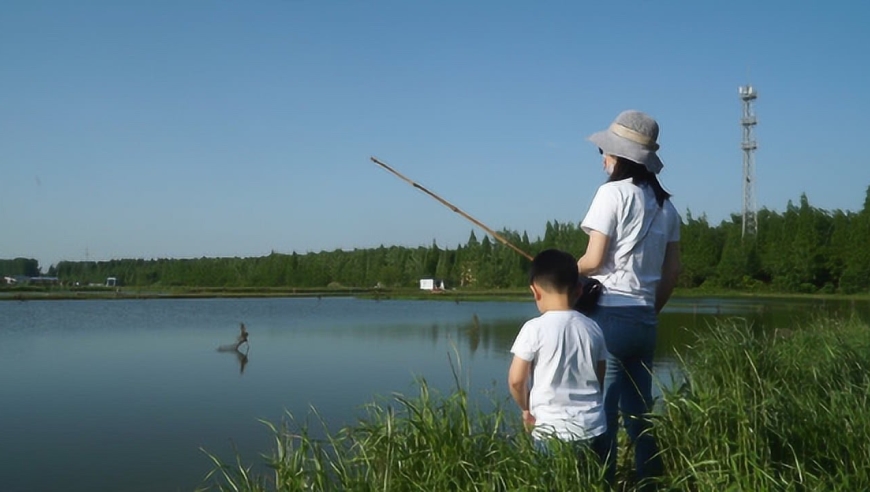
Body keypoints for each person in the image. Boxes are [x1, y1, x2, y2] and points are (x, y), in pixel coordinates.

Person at [577, 110, 682, 489]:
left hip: (609, 319)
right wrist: (650, 310)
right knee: (640, 412)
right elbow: (672, 274)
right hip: (645, 322)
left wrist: (559, 275)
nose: (602, 158)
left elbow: (592, 260)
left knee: (600, 413)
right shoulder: (667, 207)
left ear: (620, 156)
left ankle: (600, 484)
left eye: (605, 151)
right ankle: (650, 482)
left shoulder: (611, 194)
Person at [508, 249, 609, 467]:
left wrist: (527, 410)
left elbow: (517, 381)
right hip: (593, 427)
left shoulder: (533, 329)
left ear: (535, 291)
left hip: (550, 432)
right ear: (579, 290)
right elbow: (599, 378)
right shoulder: (594, 328)